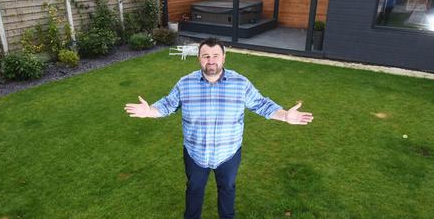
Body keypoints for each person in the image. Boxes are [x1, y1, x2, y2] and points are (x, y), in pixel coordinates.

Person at [124, 37, 313, 219]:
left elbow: (261, 104)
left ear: (224, 57)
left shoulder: (240, 83)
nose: (211, 60)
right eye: (206, 56)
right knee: (194, 190)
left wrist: (284, 115)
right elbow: (167, 104)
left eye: (215, 55)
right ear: (199, 58)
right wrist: (149, 111)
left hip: (228, 154)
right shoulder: (185, 83)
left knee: (228, 189)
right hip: (194, 153)